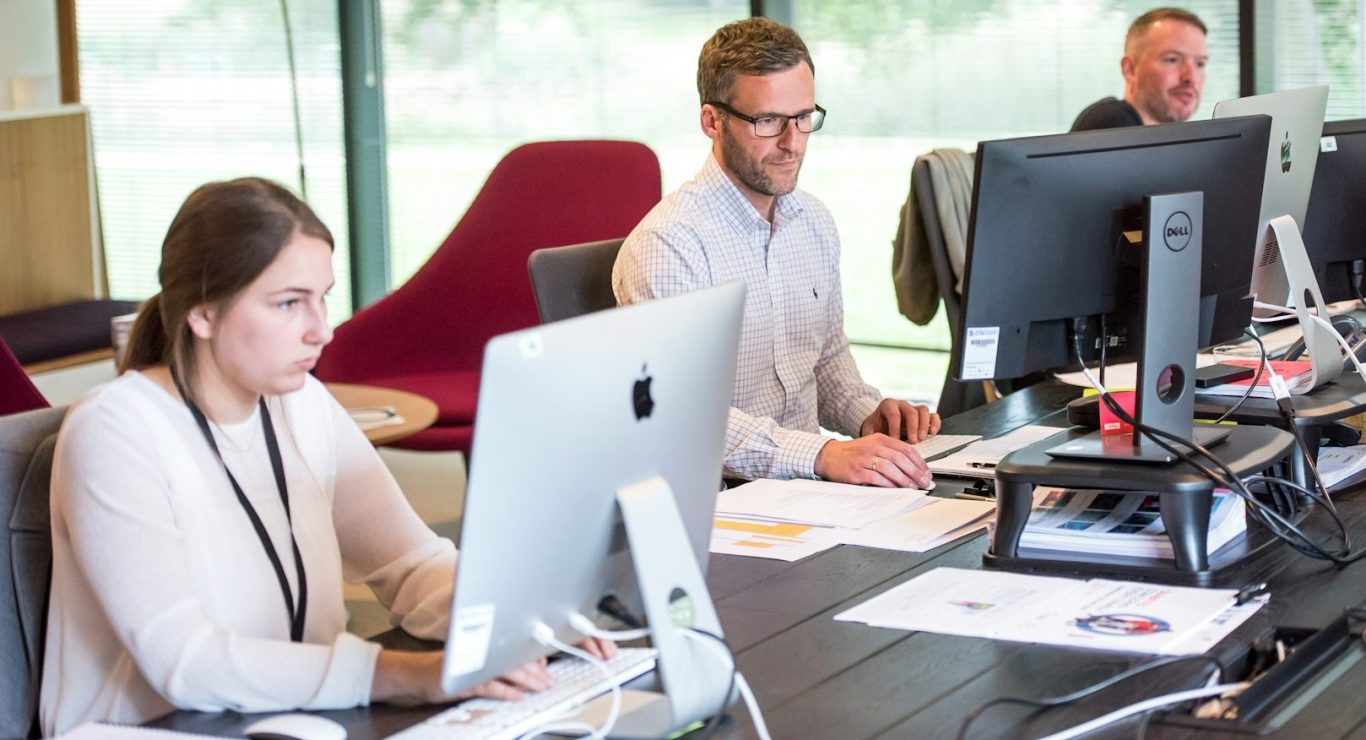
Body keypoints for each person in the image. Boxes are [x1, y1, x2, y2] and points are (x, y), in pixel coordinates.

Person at [40, 178, 611, 735]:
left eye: (323, 299)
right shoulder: (115, 430)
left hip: (298, 718)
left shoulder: (301, 404)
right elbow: (186, 663)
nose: (322, 331)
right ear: (203, 312)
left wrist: (527, 619)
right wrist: (409, 676)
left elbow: (412, 565)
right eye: (289, 303)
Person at [612, 18, 939, 488]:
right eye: (768, 121)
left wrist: (870, 416)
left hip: (810, 490)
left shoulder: (813, 222)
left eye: (803, 117)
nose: (793, 142)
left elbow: (825, 360)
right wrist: (823, 454)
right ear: (712, 121)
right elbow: (685, 415)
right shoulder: (670, 246)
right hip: (724, 499)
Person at [1071, 7, 1208, 131]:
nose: (1191, 77)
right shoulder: (1111, 123)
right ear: (1130, 69)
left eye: (1200, 64)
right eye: (1172, 60)